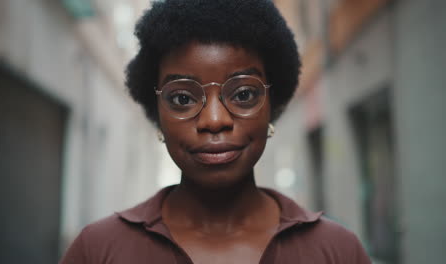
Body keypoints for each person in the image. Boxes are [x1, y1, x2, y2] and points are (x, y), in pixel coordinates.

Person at [60, 0, 371, 263]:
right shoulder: (98, 250)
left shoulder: (336, 251)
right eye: (182, 98)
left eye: (243, 94)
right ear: (158, 114)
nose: (213, 120)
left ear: (271, 106)